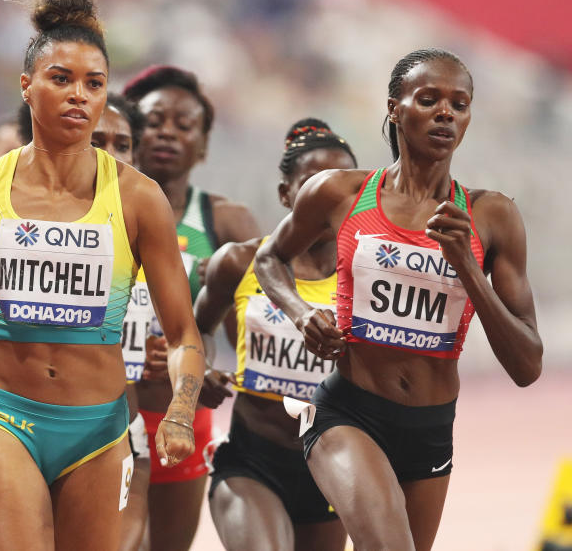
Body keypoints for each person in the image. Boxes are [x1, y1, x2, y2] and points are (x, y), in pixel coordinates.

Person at [0, 0, 206, 551]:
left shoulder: (138, 198)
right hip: (1, 416)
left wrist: (180, 409)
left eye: (94, 83)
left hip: (100, 429)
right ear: (27, 86)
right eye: (61, 78)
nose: (79, 95)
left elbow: (184, 335)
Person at [254, 48, 543, 551]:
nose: (446, 113)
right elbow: (268, 260)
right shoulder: (339, 193)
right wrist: (302, 315)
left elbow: (527, 365)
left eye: (460, 103)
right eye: (429, 99)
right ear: (395, 108)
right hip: (348, 412)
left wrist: (468, 269)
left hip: (430, 428)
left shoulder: (491, 216)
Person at [195, 118, 356, 551]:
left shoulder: (369, 275)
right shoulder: (239, 261)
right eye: (312, 186)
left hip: (332, 467)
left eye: (342, 189)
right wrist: (201, 369)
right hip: (252, 461)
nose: (327, 200)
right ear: (286, 194)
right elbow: (195, 331)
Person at [122, 64, 260, 551]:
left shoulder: (224, 220)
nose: (168, 133)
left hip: (183, 418)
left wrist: (217, 373)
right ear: (129, 130)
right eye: (156, 120)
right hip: (106, 416)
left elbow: (257, 328)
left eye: (185, 125)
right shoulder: (98, 209)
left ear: (202, 146)